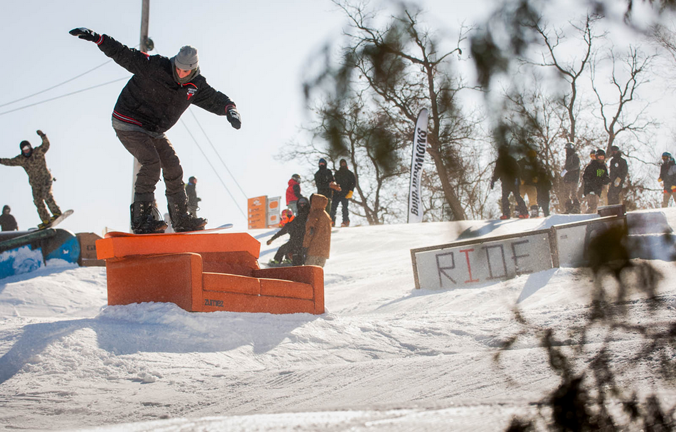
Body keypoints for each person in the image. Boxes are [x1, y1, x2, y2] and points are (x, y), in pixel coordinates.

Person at [70, 28, 241, 234]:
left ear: (194, 70)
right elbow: (124, 54)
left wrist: (230, 110)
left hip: (153, 129)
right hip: (128, 122)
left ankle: (181, 219)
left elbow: (216, 99)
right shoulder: (155, 66)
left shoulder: (196, 85)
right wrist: (99, 39)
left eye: (186, 72)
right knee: (152, 163)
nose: (180, 74)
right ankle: (142, 219)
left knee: (173, 167)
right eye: (178, 69)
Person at [0, 130, 62, 229]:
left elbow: (46, 145)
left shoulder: (38, 152)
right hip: (35, 183)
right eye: (24, 149)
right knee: (37, 201)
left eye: (27, 148)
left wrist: (43, 135)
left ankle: (56, 213)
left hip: (45, 179)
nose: (26, 150)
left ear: (30, 147)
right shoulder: (21, 159)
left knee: (46, 195)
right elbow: (10, 162)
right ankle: (46, 220)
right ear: (22, 150)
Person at [266, 197, 310, 265]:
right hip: (294, 241)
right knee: (284, 248)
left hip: (302, 242)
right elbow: (282, 232)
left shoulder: (306, 217)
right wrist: (272, 239)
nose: (302, 205)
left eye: (303, 203)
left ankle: (286, 260)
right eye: (300, 203)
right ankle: (282, 260)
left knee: (291, 250)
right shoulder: (293, 221)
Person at [491, 147, 529, 219]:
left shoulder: (510, 160)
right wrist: (493, 180)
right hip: (507, 182)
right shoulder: (500, 161)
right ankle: (507, 214)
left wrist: (517, 179)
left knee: (515, 196)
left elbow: (517, 170)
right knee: (506, 197)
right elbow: (497, 172)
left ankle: (523, 213)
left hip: (513, 181)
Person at [303, 194, 332, 267]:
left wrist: (305, 246)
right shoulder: (327, 216)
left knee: (308, 272)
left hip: (313, 249)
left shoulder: (314, 214)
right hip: (324, 252)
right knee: (317, 275)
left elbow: (310, 231)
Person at [582, 149, 610, 214]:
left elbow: (605, 176)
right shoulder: (592, 166)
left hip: (598, 189)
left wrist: (606, 180)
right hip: (590, 189)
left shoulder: (603, 167)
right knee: (592, 206)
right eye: (599, 157)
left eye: (602, 157)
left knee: (595, 206)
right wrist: (592, 184)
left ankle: (590, 218)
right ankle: (586, 218)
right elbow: (586, 177)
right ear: (596, 157)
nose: (601, 159)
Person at [331, 159, 356, 227]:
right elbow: (333, 182)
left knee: (345, 208)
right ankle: (332, 221)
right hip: (337, 192)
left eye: (344, 163)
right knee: (333, 207)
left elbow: (353, 182)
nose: (343, 164)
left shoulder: (349, 173)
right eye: (342, 163)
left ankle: (345, 221)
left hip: (345, 193)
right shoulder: (337, 173)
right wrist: (333, 190)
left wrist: (351, 191)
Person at [518, 149, 540, 217]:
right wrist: (520, 178)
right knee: (519, 197)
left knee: (533, 198)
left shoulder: (535, 163)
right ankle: (518, 211)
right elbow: (516, 171)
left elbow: (538, 171)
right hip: (522, 184)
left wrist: (536, 177)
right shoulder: (521, 162)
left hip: (531, 184)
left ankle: (534, 212)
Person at [561, 142, 581, 214]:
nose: (566, 151)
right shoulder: (568, 158)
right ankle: (569, 208)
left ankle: (577, 208)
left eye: (567, 149)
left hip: (573, 179)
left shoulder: (575, 156)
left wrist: (567, 170)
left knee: (573, 194)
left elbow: (576, 166)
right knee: (566, 195)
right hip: (567, 179)